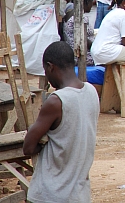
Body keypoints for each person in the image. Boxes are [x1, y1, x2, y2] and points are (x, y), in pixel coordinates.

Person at [23, 41, 100, 203]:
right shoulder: (91, 91)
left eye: (45, 71)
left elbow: (28, 147)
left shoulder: (57, 101)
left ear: (51, 67)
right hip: (79, 194)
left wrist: (42, 142)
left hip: (50, 194)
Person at [63, 0, 96, 66]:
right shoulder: (80, 18)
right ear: (87, 2)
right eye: (91, 1)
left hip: (74, 53)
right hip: (81, 56)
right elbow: (85, 41)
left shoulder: (72, 14)